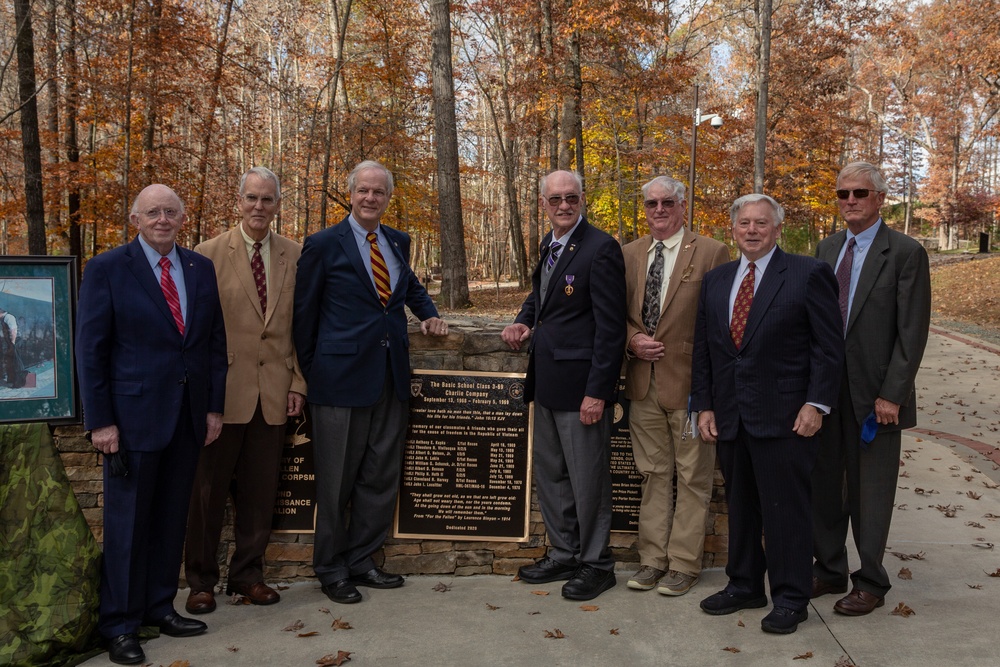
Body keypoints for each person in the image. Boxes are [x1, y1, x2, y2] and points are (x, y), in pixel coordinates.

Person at [76, 184, 227, 665]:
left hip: (186, 417)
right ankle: (119, 624)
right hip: (131, 420)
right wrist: (100, 422)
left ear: (183, 219)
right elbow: (90, 351)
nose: (163, 219)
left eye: (171, 212)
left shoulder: (200, 268)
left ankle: (160, 607)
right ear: (135, 219)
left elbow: (212, 345)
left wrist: (213, 408)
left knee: (169, 520)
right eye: (153, 212)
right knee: (128, 525)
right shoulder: (106, 269)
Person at [293, 160, 448, 605]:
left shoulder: (397, 240)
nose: (370, 198)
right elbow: (304, 318)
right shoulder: (323, 244)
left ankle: (362, 559)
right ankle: (331, 567)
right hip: (337, 383)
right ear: (351, 194)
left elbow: (409, 288)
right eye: (363, 190)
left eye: (378, 191)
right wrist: (313, 373)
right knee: (336, 481)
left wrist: (430, 314)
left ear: (388, 197)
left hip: (390, 377)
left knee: (380, 476)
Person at [690, 194, 842, 634]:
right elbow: (706, 351)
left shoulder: (808, 273)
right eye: (744, 223)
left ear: (778, 228)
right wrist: (704, 404)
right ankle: (744, 585)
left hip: (787, 416)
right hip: (731, 416)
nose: (752, 230)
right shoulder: (717, 280)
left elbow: (829, 349)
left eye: (761, 223)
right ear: (732, 229)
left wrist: (817, 403)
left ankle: (791, 596)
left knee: (785, 511)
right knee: (740, 507)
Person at [183, 167, 306, 614]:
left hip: (274, 393)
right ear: (238, 201)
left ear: (277, 205)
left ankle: (248, 576)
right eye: (252, 198)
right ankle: (200, 581)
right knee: (207, 495)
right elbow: (197, 333)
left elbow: (300, 326)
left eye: (268, 199)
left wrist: (297, 381)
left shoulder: (296, 254)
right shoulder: (206, 254)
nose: (259, 207)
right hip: (222, 395)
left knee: (260, 494)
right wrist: (203, 396)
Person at [812, 162, 931, 615]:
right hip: (825, 395)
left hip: (876, 398)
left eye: (859, 193)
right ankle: (828, 568)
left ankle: (871, 581)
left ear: (880, 198)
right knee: (824, 485)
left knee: (871, 492)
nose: (850, 202)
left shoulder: (904, 252)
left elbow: (912, 331)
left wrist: (893, 394)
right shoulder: (826, 249)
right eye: (842, 194)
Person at [501, 170, 626, 601]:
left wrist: (598, 391)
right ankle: (564, 553)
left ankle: (596, 563)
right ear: (543, 204)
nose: (564, 205)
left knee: (588, 479)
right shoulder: (549, 244)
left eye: (571, 198)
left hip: (581, 389)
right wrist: (522, 320)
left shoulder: (601, 248)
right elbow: (542, 297)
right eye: (555, 199)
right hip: (548, 380)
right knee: (552, 475)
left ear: (583, 199)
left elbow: (611, 330)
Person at [621, 176, 729, 595]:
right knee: (651, 475)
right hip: (641, 384)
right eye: (651, 204)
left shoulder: (711, 252)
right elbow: (615, 313)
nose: (659, 210)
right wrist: (632, 340)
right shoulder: (628, 253)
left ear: (683, 206)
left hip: (690, 386)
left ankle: (684, 564)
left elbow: (718, 325)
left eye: (668, 202)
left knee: (693, 479)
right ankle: (651, 560)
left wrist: (710, 395)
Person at [0, 306, 22, 387]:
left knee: (16, 361)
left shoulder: (9, 317)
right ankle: (11, 379)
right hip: (11, 342)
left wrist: (12, 344)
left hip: (15, 341)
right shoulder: (3, 319)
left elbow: (13, 331)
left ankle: (18, 382)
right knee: (10, 361)